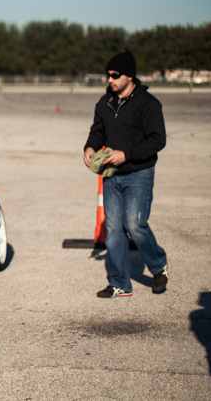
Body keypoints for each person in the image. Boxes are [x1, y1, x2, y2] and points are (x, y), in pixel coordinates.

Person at [83, 50, 169, 298]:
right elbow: (97, 131)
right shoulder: (104, 102)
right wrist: (89, 146)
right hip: (111, 175)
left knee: (135, 224)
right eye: (107, 75)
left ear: (129, 76)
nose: (109, 79)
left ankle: (158, 265)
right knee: (114, 230)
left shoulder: (148, 103)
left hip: (139, 173)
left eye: (115, 75)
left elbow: (158, 140)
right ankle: (120, 282)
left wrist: (126, 154)